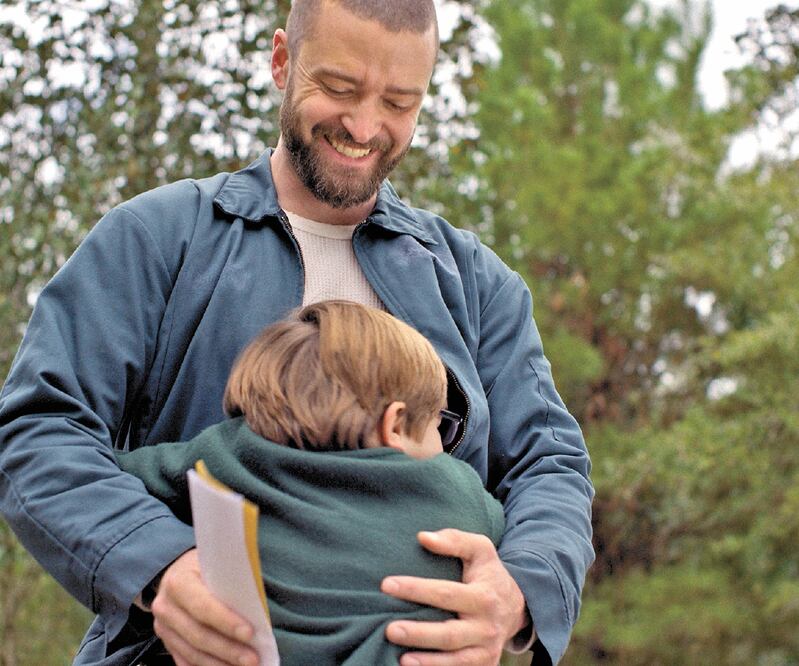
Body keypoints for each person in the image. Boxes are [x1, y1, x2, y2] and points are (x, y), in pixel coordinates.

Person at [0, 0, 595, 664]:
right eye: (339, 89)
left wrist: (517, 591)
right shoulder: (156, 238)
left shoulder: (477, 284)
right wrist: (156, 565)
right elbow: (41, 426)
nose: (365, 126)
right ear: (282, 60)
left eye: (398, 103)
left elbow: (551, 465)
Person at [114, 300, 506, 665]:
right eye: (441, 427)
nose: (444, 446)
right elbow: (507, 538)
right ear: (396, 425)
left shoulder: (225, 454)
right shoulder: (455, 489)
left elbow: (115, 475)